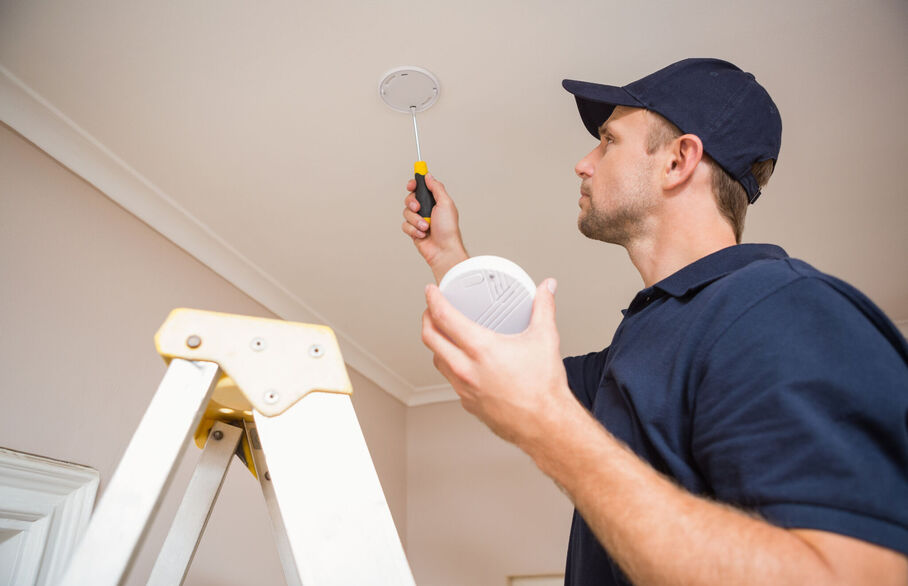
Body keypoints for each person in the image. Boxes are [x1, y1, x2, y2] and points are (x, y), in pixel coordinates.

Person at [400, 58, 908, 585]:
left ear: (678, 160)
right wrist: (449, 258)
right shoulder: (646, 343)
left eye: (608, 140)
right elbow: (506, 365)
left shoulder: (784, 308)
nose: (583, 162)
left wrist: (548, 423)